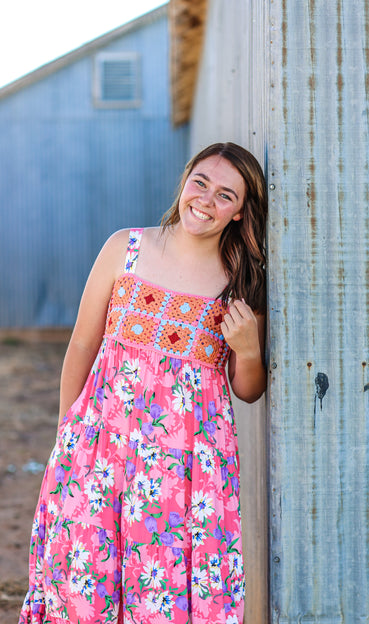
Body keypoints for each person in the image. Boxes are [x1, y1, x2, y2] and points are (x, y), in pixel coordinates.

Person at [19, 142, 268, 624]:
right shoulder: (124, 248)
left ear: (239, 213)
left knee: (163, 583)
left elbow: (248, 389)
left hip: (187, 469)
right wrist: (66, 438)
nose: (206, 200)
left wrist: (249, 348)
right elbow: (81, 348)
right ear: (184, 180)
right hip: (102, 446)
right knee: (86, 568)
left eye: (225, 196)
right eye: (201, 182)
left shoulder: (241, 280)